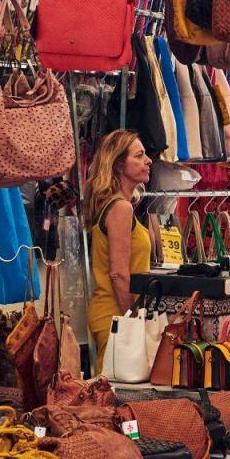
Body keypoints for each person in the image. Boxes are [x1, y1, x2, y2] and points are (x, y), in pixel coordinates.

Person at [86, 130, 153, 374]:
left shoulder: (115, 205)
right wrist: (132, 319)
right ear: (118, 164)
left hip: (112, 312)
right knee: (114, 395)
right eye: (139, 155)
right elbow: (119, 274)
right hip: (116, 314)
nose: (149, 160)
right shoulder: (120, 208)